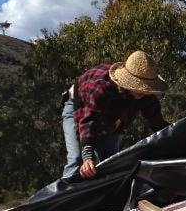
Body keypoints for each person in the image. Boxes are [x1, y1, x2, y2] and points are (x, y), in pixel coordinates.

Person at [62, 50, 168, 180]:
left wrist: (172, 139)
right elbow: (89, 119)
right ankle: (66, 197)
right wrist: (88, 157)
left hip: (110, 118)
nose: (144, 92)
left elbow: (157, 122)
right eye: (141, 89)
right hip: (78, 108)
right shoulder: (102, 86)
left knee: (110, 163)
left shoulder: (145, 95)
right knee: (77, 161)